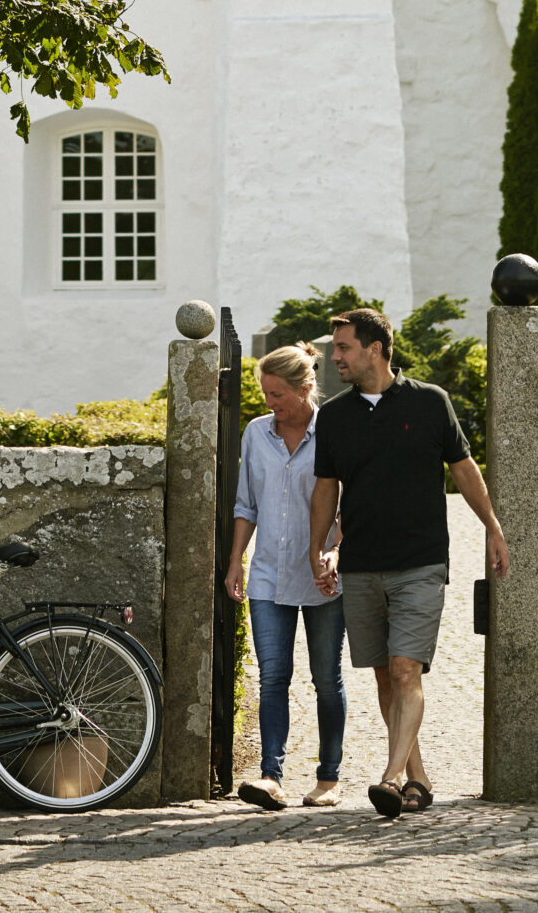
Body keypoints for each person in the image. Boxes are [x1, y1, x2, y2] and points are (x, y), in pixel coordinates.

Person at [309, 305, 509, 820]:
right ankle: (417, 779)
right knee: (384, 676)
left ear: (374, 349)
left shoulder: (430, 402)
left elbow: (463, 469)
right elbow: (326, 488)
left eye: (344, 347)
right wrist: (318, 549)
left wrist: (492, 526)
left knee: (405, 669)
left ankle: (390, 777)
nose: (336, 357)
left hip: (421, 562)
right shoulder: (333, 416)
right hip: (360, 564)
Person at [224, 343, 347, 810]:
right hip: (268, 575)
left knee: (326, 679)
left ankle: (328, 779)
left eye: (276, 393)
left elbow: (349, 504)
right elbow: (246, 504)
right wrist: (236, 561)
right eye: (265, 393)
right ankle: (270, 776)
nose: (269, 402)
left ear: (304, 387)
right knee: (273, 677)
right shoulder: (256, 433)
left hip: (323, 576)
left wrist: (335, 552)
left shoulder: (333, 430)